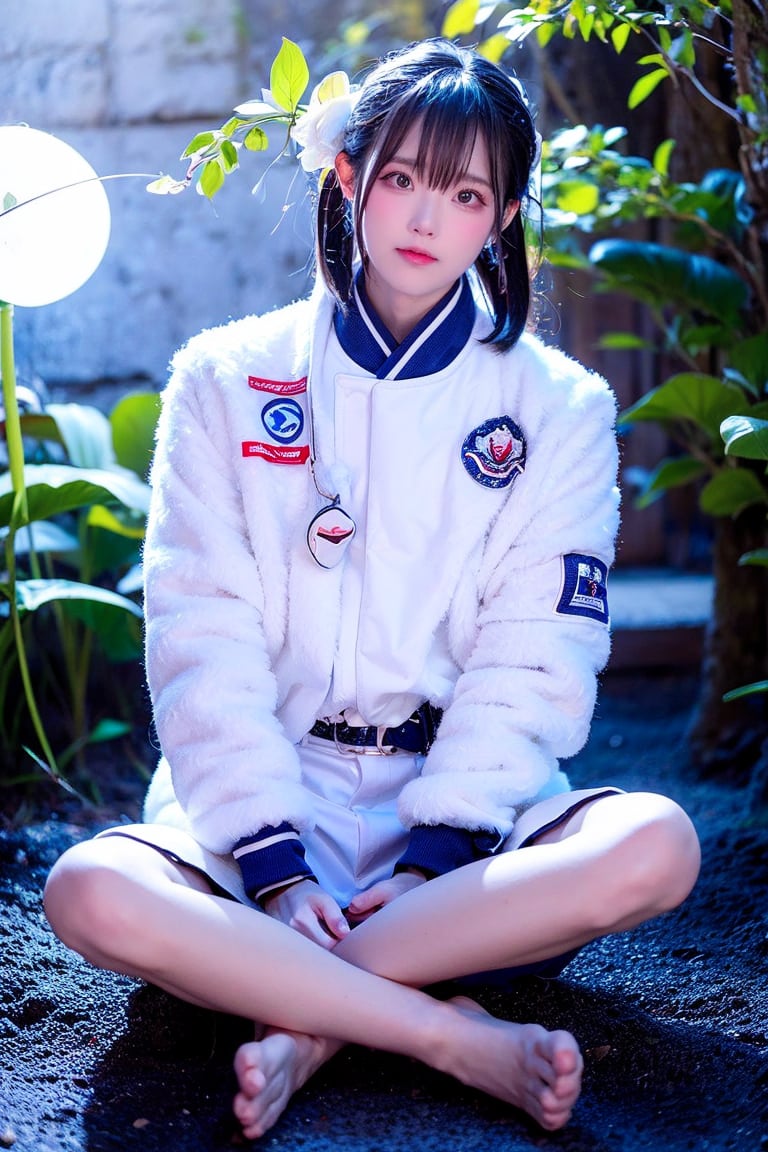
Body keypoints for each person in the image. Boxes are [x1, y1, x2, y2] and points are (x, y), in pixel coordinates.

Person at [44, 37, 700, 1140]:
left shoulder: (562, 408)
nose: (424, 217)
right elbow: (198, 633)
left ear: (501, 220)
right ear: (347, 177)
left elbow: (536, 657)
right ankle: (449, 1035)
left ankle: (309, 1022)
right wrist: (269, 860)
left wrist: (440, 854)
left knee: (660, 846)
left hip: (466, 841)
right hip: (263, 812)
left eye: (465, 192)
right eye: (400, 177)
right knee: (87, 893)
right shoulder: (226, 378)